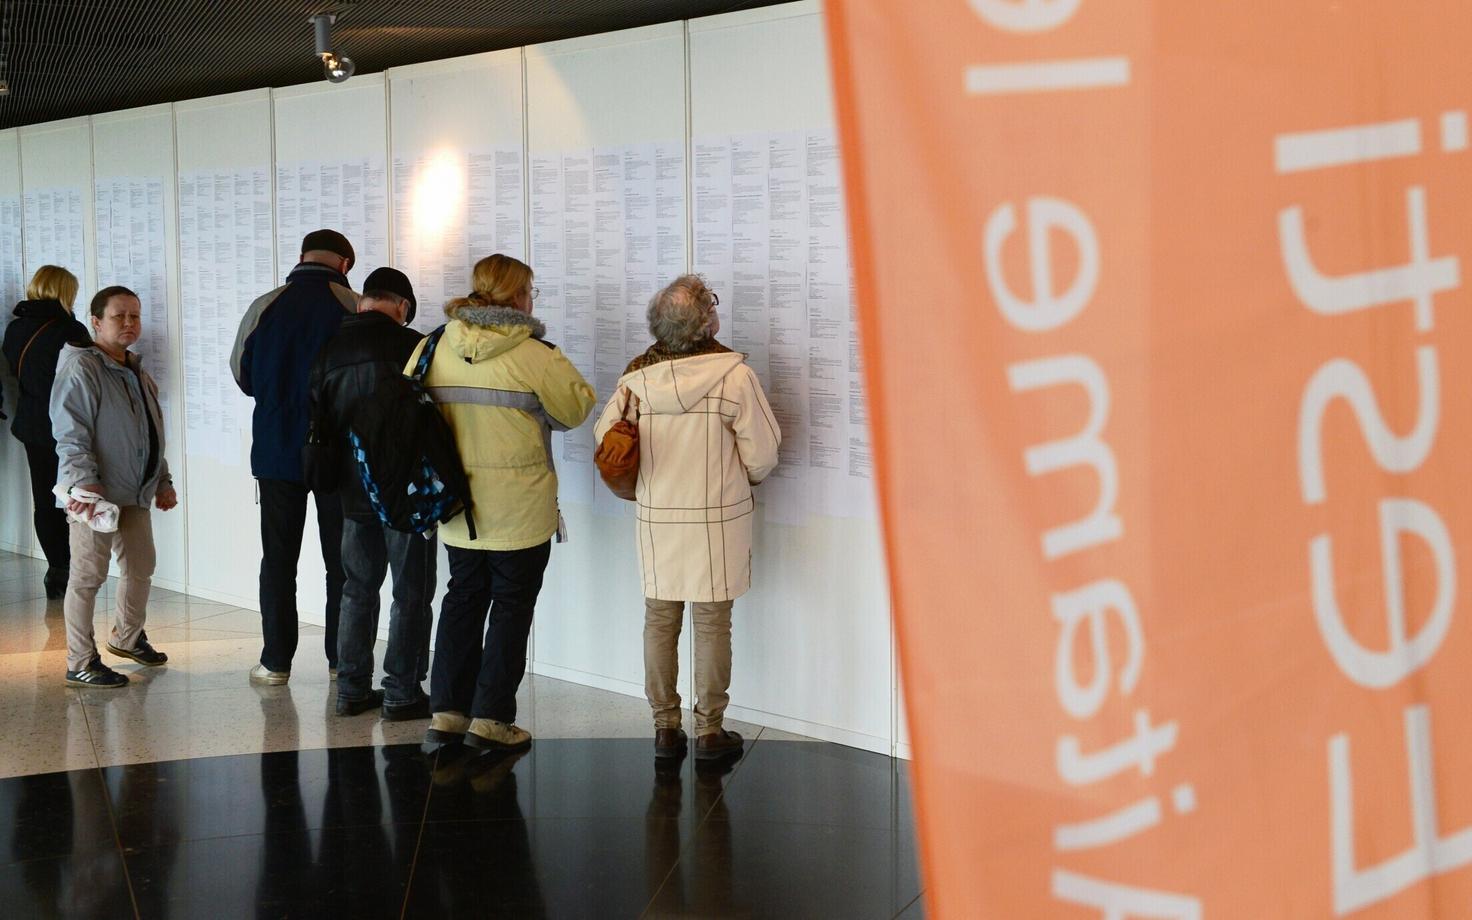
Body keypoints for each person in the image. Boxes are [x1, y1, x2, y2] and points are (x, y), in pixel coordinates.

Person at [594, 275, 780, 761]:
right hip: (718, 518)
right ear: (706, 321)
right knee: (713, 623)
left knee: (660, 619)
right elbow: (763, 453)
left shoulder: (635, 380)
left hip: (657, 517)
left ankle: (664, 729)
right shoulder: (733, 375)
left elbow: (604, 438)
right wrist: (746, 480)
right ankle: (710, 732)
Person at [415, 254, 595, 750]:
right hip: (521, 507)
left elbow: (409, 402)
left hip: (455, 507)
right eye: (530, 291)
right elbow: (576, 408)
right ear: (517, 297)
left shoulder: (434, 343)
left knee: (461, 600)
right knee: (510, 609)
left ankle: (447, 714)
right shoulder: (536, 354)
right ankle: (491, 720)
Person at [308, 267, 435, 720]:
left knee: (357, 589)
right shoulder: (414, 346)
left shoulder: (328, 349)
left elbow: (318, 419)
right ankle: (402, 690)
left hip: (351, 492)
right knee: (411, 593)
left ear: (363, 301)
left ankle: (352, 689)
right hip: (407, 493)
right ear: (402, 306)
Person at [231, 230, 357, 686]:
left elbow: (242, 374)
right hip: (337, 455)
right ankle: (341, 659)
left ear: (301, 256)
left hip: (275, 451)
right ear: (345, 264)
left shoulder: (265, 305)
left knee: (278, 559)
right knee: (340, 562)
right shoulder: (353, 306)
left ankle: (275, 661)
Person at [50, 285, 178, 688]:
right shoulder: (83, 367)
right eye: (119, 316)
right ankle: (80, 660)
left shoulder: (134, 368)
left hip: (134, 493)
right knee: (87, 577)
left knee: (141, 567)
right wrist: (85, 484)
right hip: (95, 496)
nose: (128, 323)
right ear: (96, 321)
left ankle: (127, 637)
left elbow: (150, 433)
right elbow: (70, 432)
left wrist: (163, 479)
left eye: (134, 316)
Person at [2, 265, 91, 599]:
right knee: (76, 498)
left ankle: (57, 569)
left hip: (30, 424)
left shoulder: (15, 329)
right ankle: (75, 568)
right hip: (66, 426)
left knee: (44, 498)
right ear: (65, 292)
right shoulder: (71, 329)